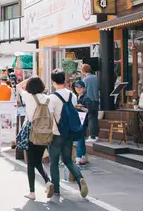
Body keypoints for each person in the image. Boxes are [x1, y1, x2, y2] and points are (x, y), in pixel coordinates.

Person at [48, 69, 89, 198]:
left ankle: (56, 190)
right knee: (68, 160)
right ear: (64, 80)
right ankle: (79, 178)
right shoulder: (73, 96)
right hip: (69, 133)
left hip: (56, 134)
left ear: (53, 82)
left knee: (53, 162)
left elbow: (49, 117)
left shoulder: (52, 98)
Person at [16, 77, 54, 200]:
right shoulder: (48, 99)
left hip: (31, 131)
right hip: (45, 132)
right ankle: (47, 182)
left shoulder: (28, 96)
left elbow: (18, 87)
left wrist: (27, 79)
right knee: (37, 160)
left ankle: (32, 192)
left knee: (31, 163)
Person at [74, 80, 93, 165]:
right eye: (77, 87)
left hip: (83, 121)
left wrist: (80, 107)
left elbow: (89, 110)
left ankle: (79, 157)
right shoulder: (76, 97)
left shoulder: (86, 98)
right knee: (81, 139)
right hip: (78, 120)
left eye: (80, 87)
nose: (78, 89)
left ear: (84, 88)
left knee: (79, 139)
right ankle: (83, 157)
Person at [0, 74, 13, 149]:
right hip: (7, 110)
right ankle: (11, 142)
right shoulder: (10, 89)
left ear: (0, 80)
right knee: (8, 127)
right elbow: (12, 100)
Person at [82, 64, 99, 142]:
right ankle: (95, 135)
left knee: (91, 117)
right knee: (95, 117)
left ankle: (92, 136)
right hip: (96, 99)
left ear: (83, 71)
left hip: (89, 99)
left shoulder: (85, 80)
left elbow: (83, 90)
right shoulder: (96, 77)